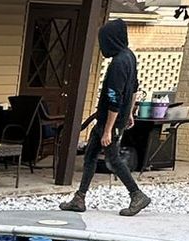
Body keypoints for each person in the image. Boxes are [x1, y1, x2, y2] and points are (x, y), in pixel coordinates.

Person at [60, 18, 152, 217]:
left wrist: (109, 129)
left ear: (111, 40)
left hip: (109, 120)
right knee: (91, 155)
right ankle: (79, 198)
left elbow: (113, 97)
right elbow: (135, 87)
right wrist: (129, 114)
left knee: (113, 159)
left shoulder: (118, 63)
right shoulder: (130, 57)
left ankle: (137, 194)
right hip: (112, 118)